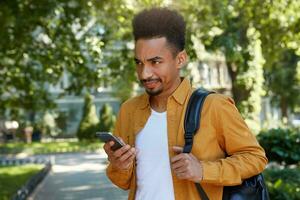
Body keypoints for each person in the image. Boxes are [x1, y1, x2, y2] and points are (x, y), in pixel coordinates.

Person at [103, 7, 268, 200]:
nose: (144, 73)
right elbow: (124, 183)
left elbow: (255, 158)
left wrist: (203, 170)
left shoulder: (214, 106)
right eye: (139, 63)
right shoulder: (129, 110)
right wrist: (119, 166)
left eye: (155, 62)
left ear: (180, 59)